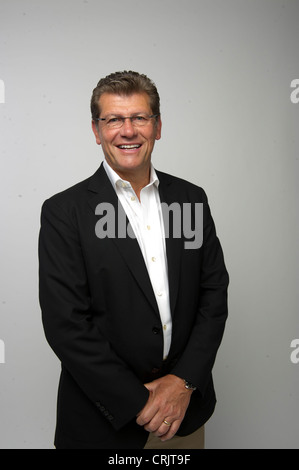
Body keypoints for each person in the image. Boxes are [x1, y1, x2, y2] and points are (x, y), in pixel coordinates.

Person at [38, 71, 229, 449]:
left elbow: (213, 295)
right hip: (102, 421)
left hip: (182, 416)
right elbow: (66, 325)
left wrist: (183, 383)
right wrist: (142, 403)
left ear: (157, 127)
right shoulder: (65, 212)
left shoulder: (190, 199)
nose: (128, 130)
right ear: (96, 130)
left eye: (140, 118)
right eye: (113, 120)